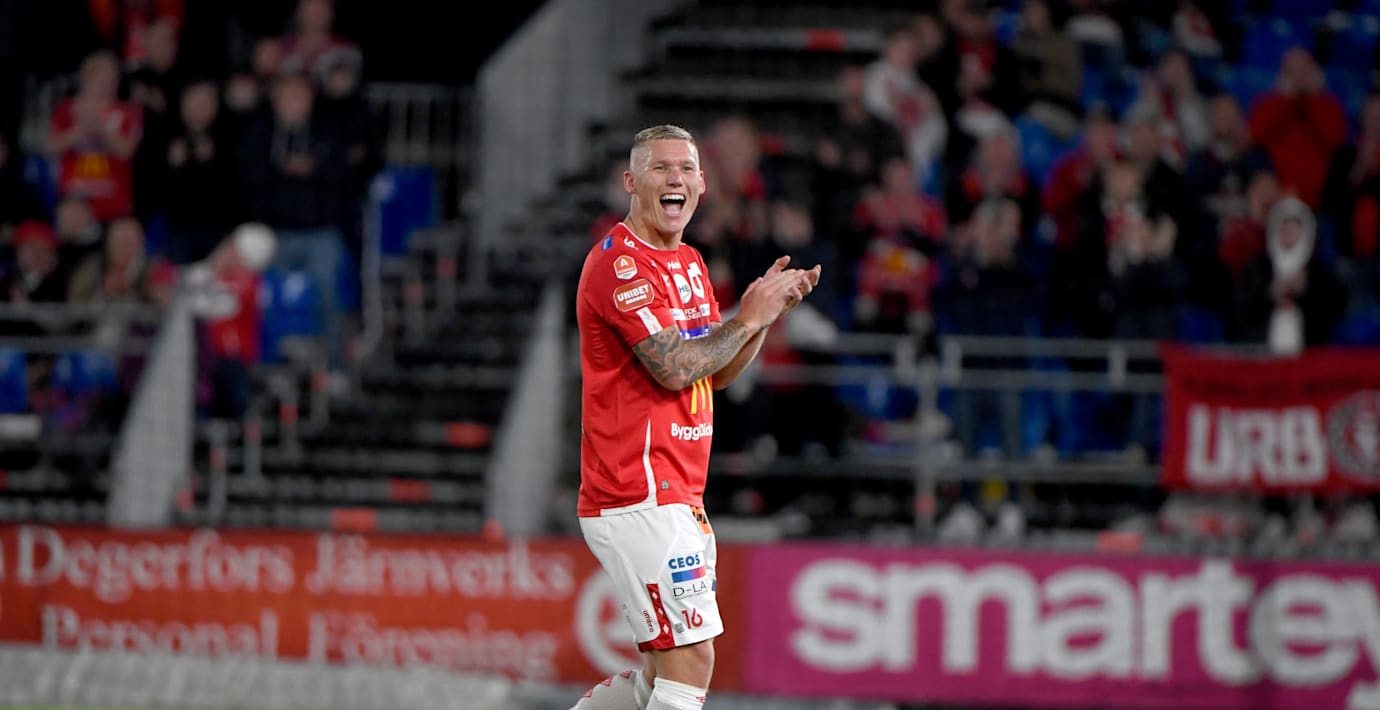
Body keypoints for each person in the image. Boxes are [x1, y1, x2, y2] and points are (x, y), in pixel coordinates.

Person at [571, 125, 819, 710]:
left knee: (661, 672)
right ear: (632, 182)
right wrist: (745, 318)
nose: (675, 178)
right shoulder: (620, 266)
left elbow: (716, 373)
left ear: (703, 184)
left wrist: (761, 319)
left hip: (678, 493)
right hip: (637, 491)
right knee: (693, 658)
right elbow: (675, 369)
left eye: (686, 168)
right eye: (660, 168)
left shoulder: (689, 263)